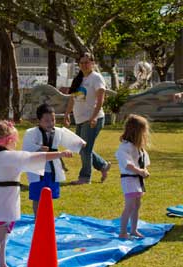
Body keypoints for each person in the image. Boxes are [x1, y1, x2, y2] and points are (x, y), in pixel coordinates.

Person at [0, 120, 72, 267]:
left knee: (2, 236)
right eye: (14, 140)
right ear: (8, 140)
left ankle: (1, 263)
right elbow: (37, 157)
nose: (16, 144)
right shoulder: (9, 156)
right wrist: (61, 153)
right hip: (4, 199)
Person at [23, 104, 86, 217]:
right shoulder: (31, 133)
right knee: (37, 196)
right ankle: (37, 218)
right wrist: (38, 148)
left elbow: (70, 139)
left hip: (52, 170)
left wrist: (79, 143)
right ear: (39, 120)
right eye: (47, 121)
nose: (51, 123)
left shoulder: (58, 132)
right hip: (37, 170)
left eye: (53, 120)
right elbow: (26, 149)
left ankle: (46, 217)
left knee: (49, 195)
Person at [63, 52, 111, 184]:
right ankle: (103, 165)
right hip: (79, 119)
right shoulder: (78, 79)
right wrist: (67, 114)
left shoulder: (96, 78)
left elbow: (101, 100)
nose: (84, 65)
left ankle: (85, 177)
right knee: (81, 147)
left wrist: (94, 117)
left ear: (92, 64)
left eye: (87, 62)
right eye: (82, 63)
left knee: (84, 148)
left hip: (93, 119)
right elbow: (72, 99)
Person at [115, 114, 150, 239]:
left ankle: (134, 230)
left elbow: (144, 161)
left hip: (137, 180)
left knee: (137, 205)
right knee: (129, 206)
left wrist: (144, 170)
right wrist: (140, 171)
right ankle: (123, 232)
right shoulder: (125, 147)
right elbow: (128, 164)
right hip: (129, 179)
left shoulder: (137, 148)